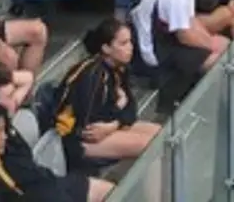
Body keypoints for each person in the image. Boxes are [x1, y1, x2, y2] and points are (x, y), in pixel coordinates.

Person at [52, 19, 160, 171]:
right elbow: (89, 126)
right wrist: (118, 109)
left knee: (162, 134)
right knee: (151, 146)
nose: (130, 48)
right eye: (123, 44)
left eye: (130, 42)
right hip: (75, 139)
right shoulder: (93, 74)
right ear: (106, 48)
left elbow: (131, 109)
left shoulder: (119, 68)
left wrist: (115, 122)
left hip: (107, 126)